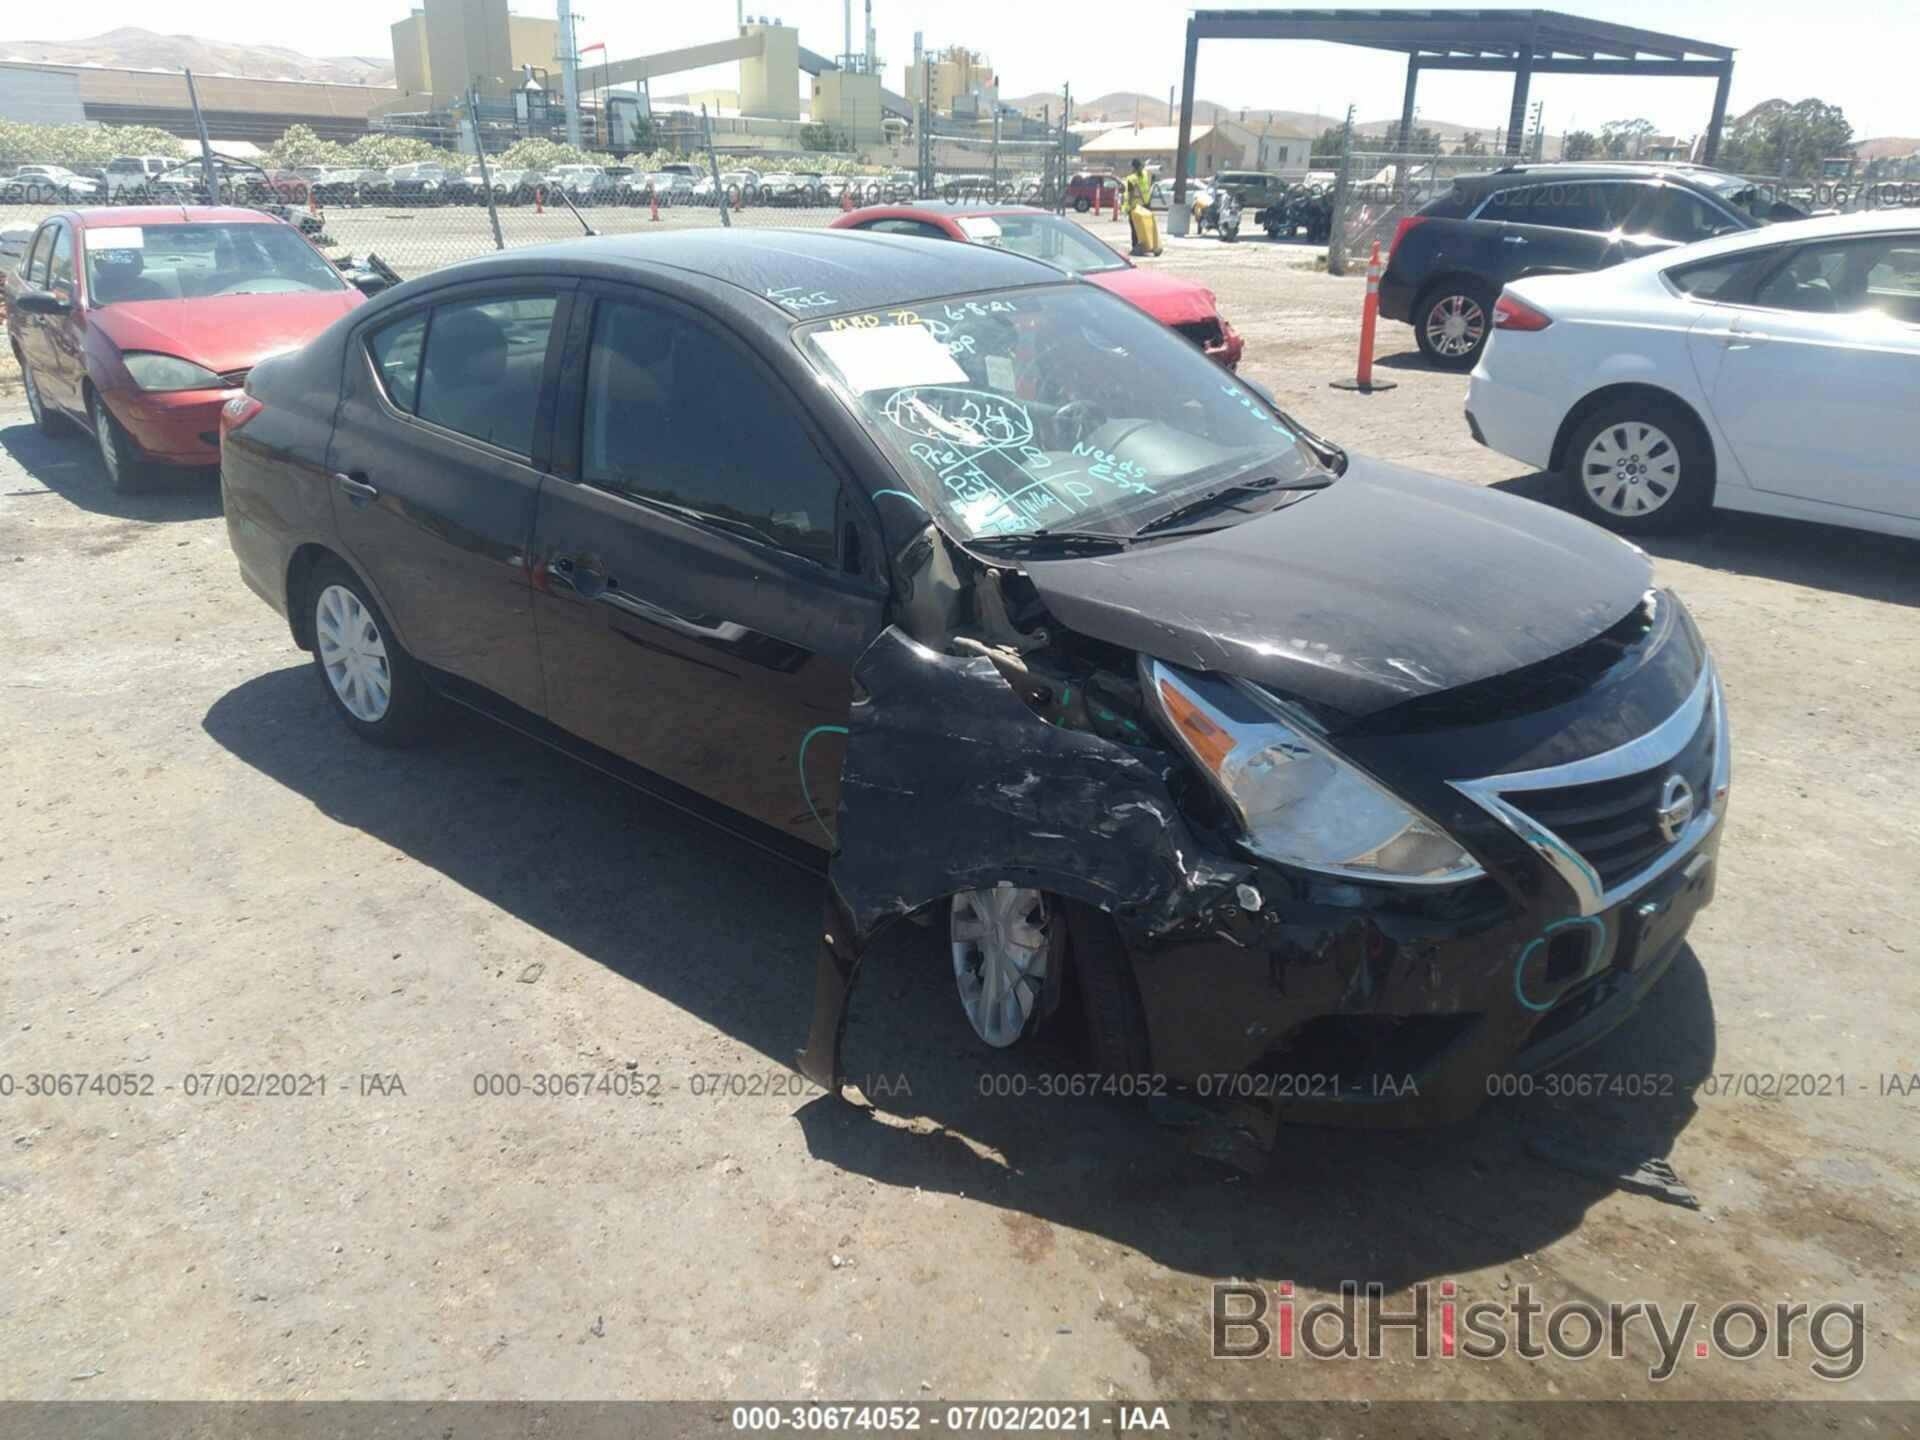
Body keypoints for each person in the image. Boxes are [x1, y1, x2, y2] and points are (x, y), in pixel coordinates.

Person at [1123, 157, 1160, 257]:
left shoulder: (1131, 178)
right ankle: (1153, 246)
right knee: (1147, 227)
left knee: (1135, 228)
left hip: (1135, 208)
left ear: (1132, 167)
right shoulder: (1146, 174)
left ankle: (1137, 247)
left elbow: (1130, 194)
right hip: (1146, 205)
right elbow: (1153, 177)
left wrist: (1129, 207)